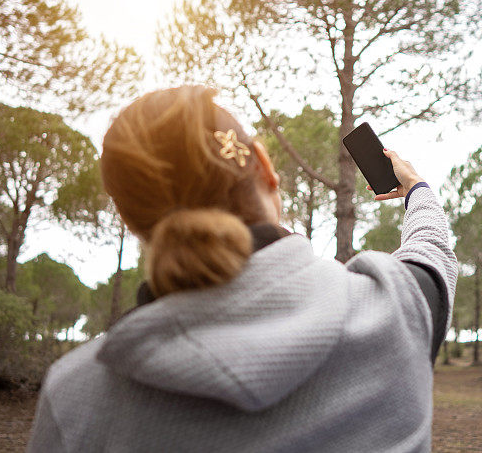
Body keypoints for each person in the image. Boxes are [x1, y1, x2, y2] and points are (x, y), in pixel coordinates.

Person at [27, 85, 458, 452]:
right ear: (267, 168)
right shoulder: (394, 312)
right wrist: (416, 189)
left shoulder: (76, 397)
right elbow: (432, 252)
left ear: (131, 219)